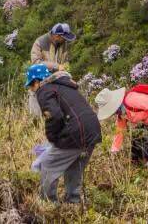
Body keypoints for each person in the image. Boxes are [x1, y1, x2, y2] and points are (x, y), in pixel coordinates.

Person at [26, 64, 102, 204]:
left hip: (77, 132)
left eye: (31, 86)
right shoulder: (65, 86)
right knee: (74, 168)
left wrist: (52, 139)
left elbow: (54, 116)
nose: (31, 90)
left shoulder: (44, 89)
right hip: (93, 130)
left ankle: (48, 203)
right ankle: (73, 202)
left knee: (47, 164)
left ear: (36, 82)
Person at [95, 86, 148, 169]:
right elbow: (119, 132)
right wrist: (114, 150)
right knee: (135, 139)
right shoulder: (121, 112)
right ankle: (141, 164)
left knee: (141, 142)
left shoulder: (131, 99)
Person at [28, 23, 77, 116]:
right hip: (40, 82)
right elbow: (36, 62)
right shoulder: (40, 42)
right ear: (57, 36)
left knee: (55, 113)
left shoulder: (64, 44)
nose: (66, 40)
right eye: (64, 37)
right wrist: (56, 66)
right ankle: (36, 125)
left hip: (56, 83)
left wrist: (68, 77)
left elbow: (65, 63)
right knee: (38, 113)